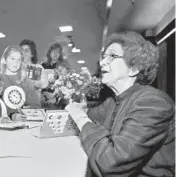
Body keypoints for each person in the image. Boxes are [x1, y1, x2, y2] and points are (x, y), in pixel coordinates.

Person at [66, 31, 175, 177]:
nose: (102, 62)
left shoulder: (154, 103)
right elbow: (88, 116)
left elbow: (111, 162)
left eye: (112, 56)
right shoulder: (113, 101)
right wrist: (81, 112)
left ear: (134, 68)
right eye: (103, 57)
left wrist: (81, 118)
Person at [0, 45, 41, 121]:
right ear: (4, 60)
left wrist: (25, 113)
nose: (16, 62)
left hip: (23, 124)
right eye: (12, 58)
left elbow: (36, 105)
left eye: (19, 59)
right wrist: (12, 115)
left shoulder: (25, 80)